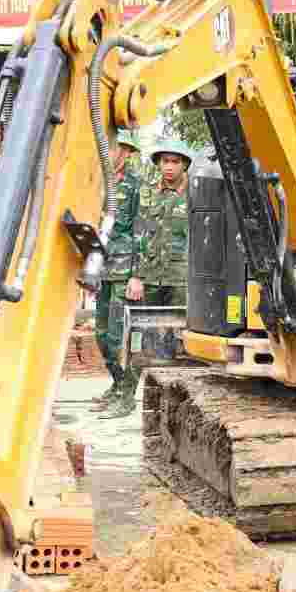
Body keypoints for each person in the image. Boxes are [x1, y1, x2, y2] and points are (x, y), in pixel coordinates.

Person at [104, 138, 191, 418]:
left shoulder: (197, 194)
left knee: (180, 344)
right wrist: (135, 277)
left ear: (184, 165)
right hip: (150, 278)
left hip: (181, 280)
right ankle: (125, 397)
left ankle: (176, 408)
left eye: (174, 161)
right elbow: (139, 235)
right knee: (139, 341)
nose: (168, 167)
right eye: (164, 161)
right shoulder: (149, 194)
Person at [94, 130, 144, 414]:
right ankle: (116, 385)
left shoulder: (136, 186)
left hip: (125, 271)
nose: (112, 153)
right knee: (102, 336)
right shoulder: (96, 182)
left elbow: (142, 232)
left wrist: (137, 275)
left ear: (127, 153)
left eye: (118, 149)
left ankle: (126, 396)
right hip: (101, 268)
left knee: (120, 337)